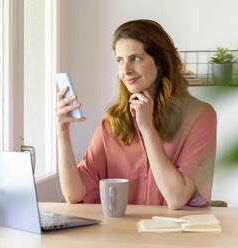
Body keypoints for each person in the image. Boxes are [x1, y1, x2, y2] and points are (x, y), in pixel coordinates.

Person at [55, 19, 217, 209]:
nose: (125, 70)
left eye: (136, 58)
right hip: (123, 236)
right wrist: (62, 133)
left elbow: (176, 197)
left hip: (176, 236)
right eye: (120, 60)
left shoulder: (201, 116)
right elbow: (74, 195)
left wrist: (147, 129)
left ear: (160, 62)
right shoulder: (112, 123)